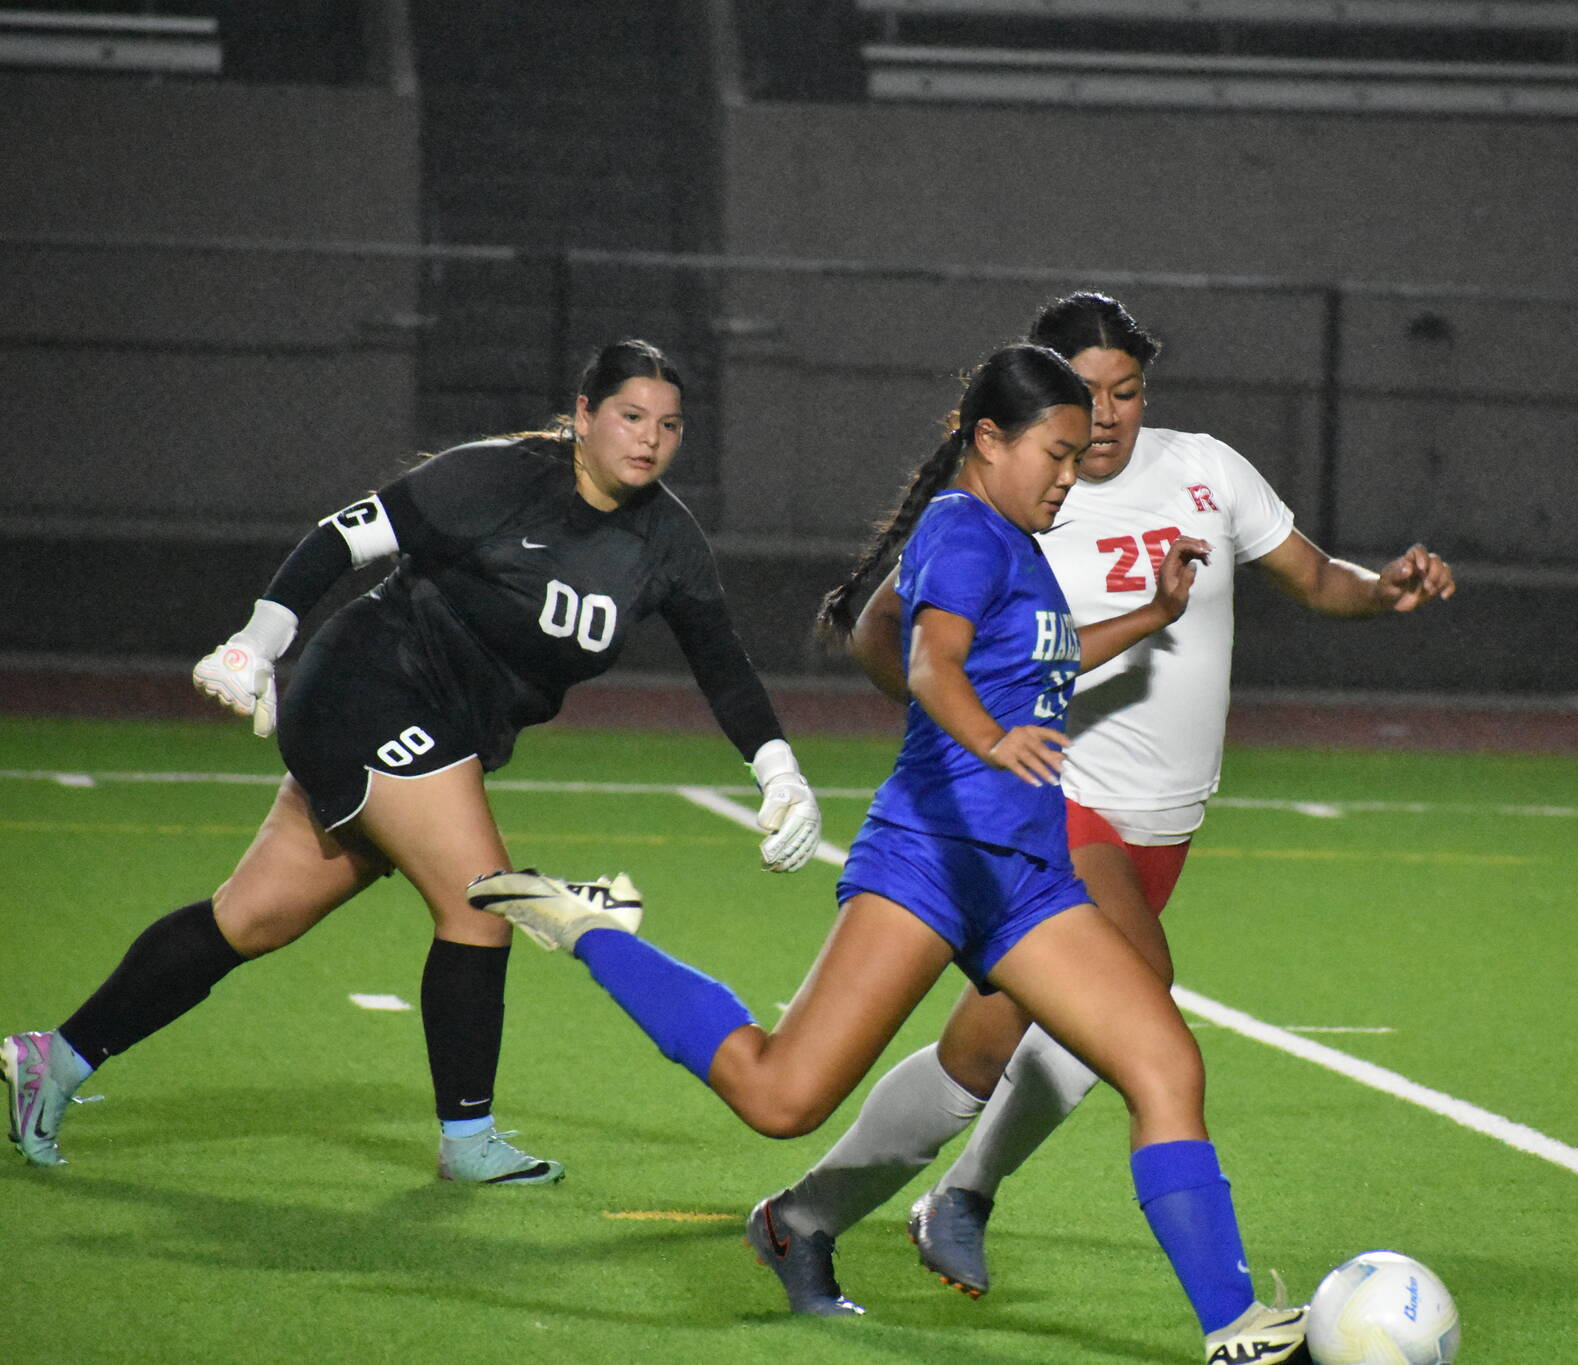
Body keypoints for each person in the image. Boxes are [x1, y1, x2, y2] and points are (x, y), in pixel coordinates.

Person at [467, 342, 1315, 1364]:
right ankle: (595, 926)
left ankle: (1234, 1328)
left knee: (1163, 1064)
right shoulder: (960, 532)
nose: (1067, 474)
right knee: (779, 1097)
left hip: (1024, 878)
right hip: (929, 857)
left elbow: (1041, 655)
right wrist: (987, 736)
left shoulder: (1017, 534)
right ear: (988, 441)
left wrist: (1152, 614)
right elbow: (930, 660)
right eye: (1053, 452)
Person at [753, 292, 1456, 1304]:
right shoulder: (1023, 492)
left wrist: (1381, 587)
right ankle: (989, 1210)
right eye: (1086, 395)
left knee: (981, 1052)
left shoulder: (1204, 470)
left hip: (1161, 827)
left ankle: (808, 1215)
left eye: (1126, 390)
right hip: (1061, 806)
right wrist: (971, 733)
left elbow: (1310, 576)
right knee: (1140, 1004)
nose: (1110, 414)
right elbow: (884, 635)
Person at [2, 339, 823, 1185]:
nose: (650, 438)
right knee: (483, 901)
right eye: (630, 416)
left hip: (436, 728)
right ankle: (469, 1139)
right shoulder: (497, 477)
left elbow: (721, 662)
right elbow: (341, 538)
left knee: (251, 917)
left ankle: (51, 1061)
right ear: (583, 415)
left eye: (670, 425)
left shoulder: (667, 540)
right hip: (368, 688)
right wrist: (258, 641)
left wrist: (779, 772)